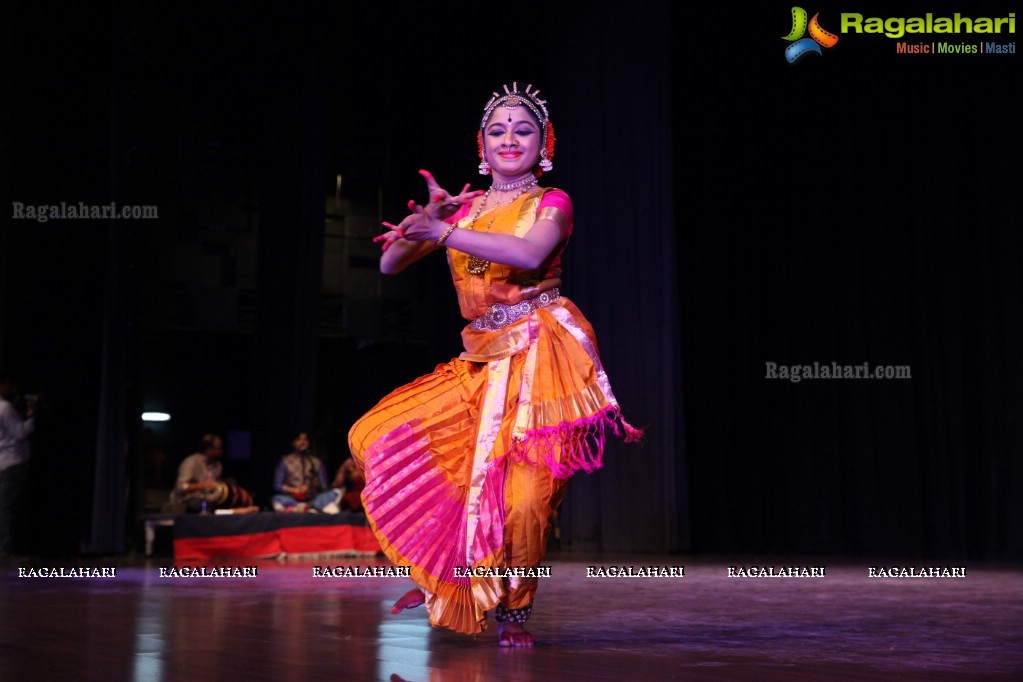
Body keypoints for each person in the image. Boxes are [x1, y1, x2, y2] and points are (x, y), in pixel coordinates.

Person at [348, 83, 642, 647]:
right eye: (498, 130)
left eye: (523, 129)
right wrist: (430, 221)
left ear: (544, 143)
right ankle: (443, 573)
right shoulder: (465, 209)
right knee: (378, 436)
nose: (510, 138)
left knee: (528, 502)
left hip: (541, 357)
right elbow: (389, 265)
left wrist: (447, 231)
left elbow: (530, 254)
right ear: (481, 145)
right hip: (480, 360)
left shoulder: (552, 202)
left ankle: (514, 610)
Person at [0, 370, 37, 558]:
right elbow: (20, 432)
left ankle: (6, 548)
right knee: (9, 509)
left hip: (2, 463)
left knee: (5, 507)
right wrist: (32, 416)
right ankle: (6, 550)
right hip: (12, 462)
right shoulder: (4, 408)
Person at [170, 433, 252, 512]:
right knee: (202, 504)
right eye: (219, 448)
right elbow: (180, 487)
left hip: (208, 498)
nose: (221, 451)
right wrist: (201, 485)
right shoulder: (191, 462)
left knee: (231, 484)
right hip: (188, 499)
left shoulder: (217, 465)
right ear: (209, 449)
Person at [270, 432, 333, 512]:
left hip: (313, 498)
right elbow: (277, 485)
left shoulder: (316, 462)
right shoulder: (285, 461)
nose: (303, 442)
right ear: (293, 443)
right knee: (277, 499)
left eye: (305, 439)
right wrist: (295, 490)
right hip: (292, 499)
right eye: (299, 439)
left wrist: (316, 485)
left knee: (334, 493)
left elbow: (325, 486)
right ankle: (301, 508)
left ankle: (311, 507)